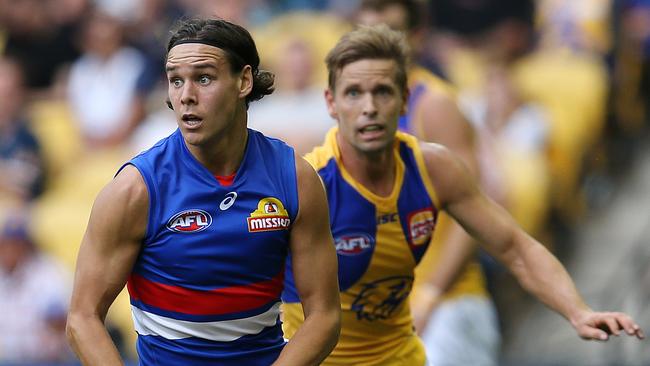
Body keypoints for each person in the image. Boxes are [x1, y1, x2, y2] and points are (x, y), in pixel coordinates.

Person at [281, 24, 644, 365]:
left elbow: (515, 247)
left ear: (405, 100)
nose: (369, 108)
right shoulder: (307, 183)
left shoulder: (434, 169)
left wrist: (578, 311)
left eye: (383, 92)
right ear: (331, 103)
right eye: (354, 93)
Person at [66, 17, 341, 365]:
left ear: (243, 81)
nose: (186, 96)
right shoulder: (135, 190)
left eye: (204, 78)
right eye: (175, 80)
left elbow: (325, 315)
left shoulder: (294, 178)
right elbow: (82, 318)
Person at [355, 1, 501, 364]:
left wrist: (432, 295)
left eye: (388, 34)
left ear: (416, 37)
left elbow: (474, 215)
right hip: (390, 307)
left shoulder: (433, 104)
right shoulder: (361, 107)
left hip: (448, 305)